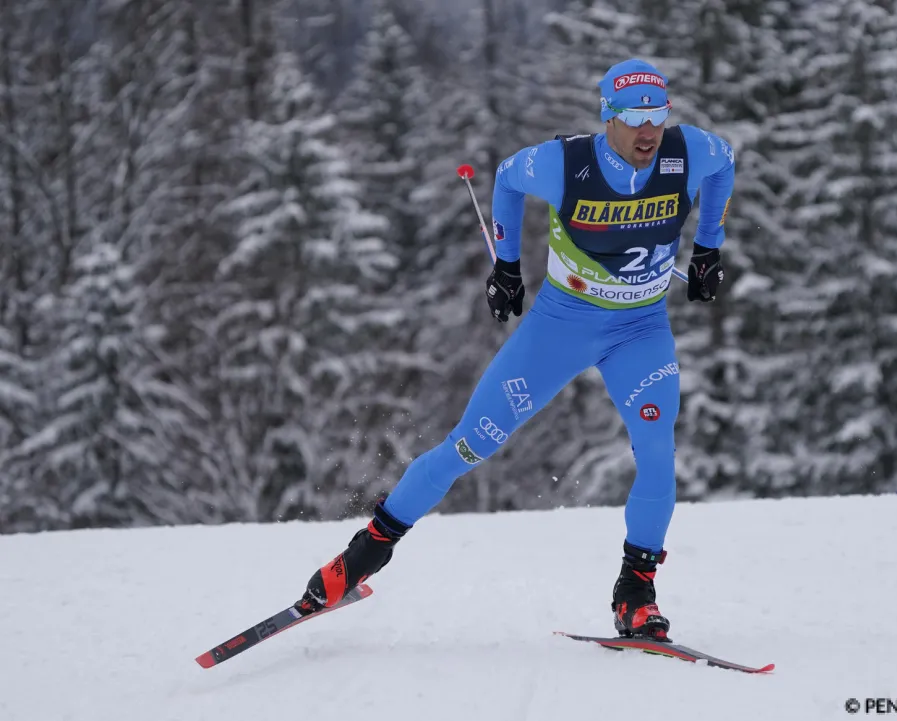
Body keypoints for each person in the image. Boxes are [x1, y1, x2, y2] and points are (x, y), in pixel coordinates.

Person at [296, 58, 735, 641]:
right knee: (472, 444)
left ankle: (636, 592)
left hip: (640, 329)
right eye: (633, 116)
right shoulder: (566, 164)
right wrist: (506, 267)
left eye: (657, 113)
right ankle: (363, 554)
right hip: (561, 324)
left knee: (657, 452)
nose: (648, 129)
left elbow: (726, 163)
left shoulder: (689, 152)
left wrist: (708, 248)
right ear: (609, 117)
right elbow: (505, 177)